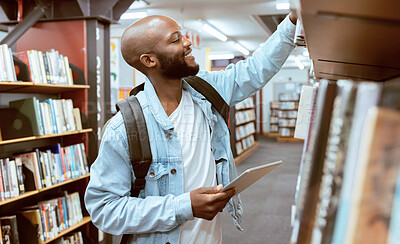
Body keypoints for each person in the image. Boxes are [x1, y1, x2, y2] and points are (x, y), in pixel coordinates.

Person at [85, 12, 297, 244]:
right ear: (149, 60)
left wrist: (292, 21)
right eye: (175, 40)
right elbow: (104, 210)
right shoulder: (123, 128)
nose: (187, 42)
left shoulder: (205, 91)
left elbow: (255, 69)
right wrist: (183, 207)